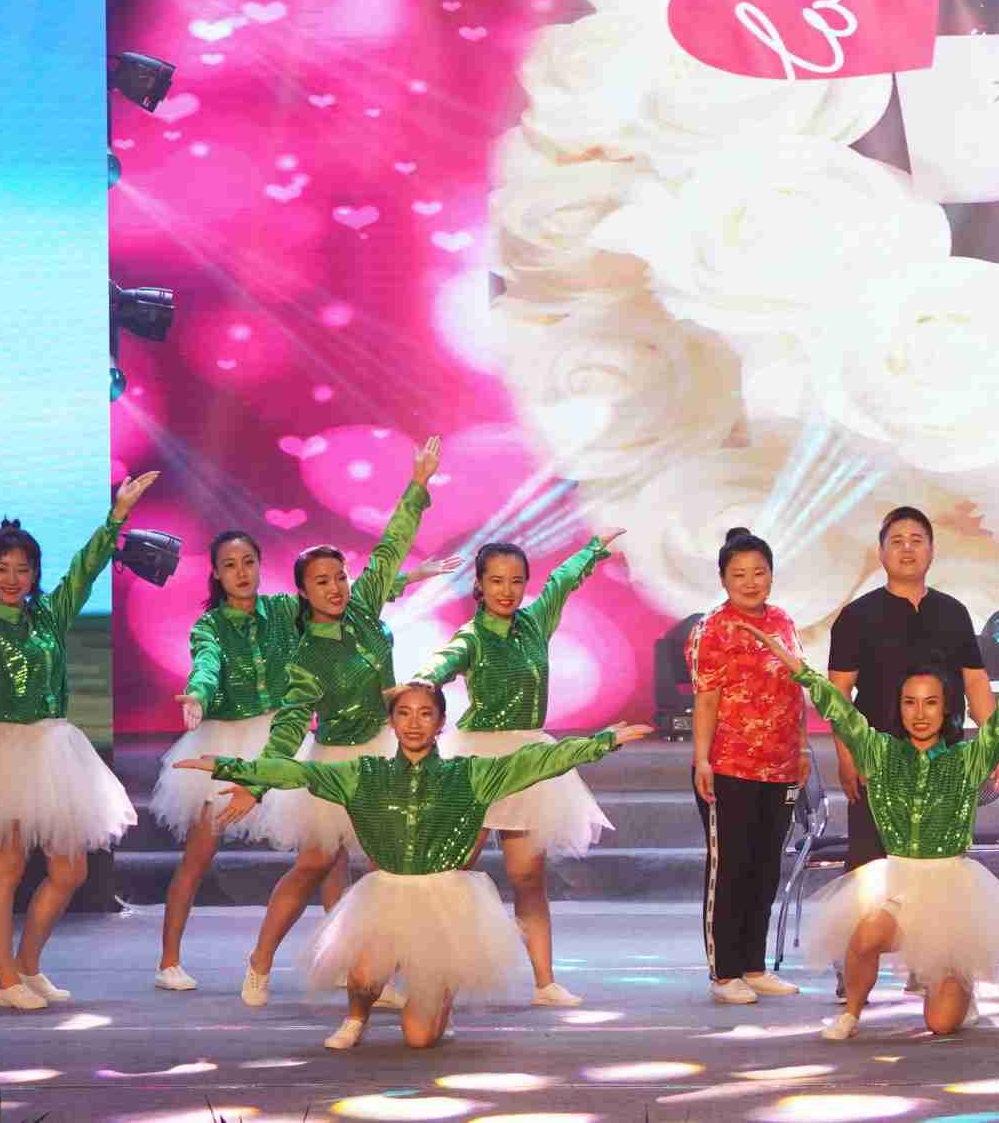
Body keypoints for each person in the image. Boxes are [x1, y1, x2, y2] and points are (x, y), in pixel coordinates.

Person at [182, 684, 652, 1050]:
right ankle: (356, 1018)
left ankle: (439, 992)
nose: (413, 723)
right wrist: (233, 767)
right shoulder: (364, 774)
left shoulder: (470, 774)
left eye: (425, 714)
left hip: (445, 897)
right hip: (387, 892)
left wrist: (602, 741)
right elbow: (302, 773)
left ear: (441, 723)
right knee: (363, 976)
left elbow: (539, 760)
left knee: (420, 1039)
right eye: (404, 713)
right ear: (391, 721)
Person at [739, 617, 999, 1040]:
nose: (920, 713)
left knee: (940, 1025)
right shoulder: (879, 751)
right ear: (900, 707)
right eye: (910, 702)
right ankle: (851, 1015)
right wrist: (790, 661)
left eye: (930, 703)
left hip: (949, 889)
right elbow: (835, 706)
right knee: (865, 936)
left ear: (945, 707)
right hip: (897, 881)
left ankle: (958, 986)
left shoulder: (968, 759)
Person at [0, 474, 156, 1010]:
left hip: (56, 750)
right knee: (6, 868)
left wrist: (117, 516)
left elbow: (87, 568)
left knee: (71, 870)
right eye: (2, 569)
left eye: (22, 569)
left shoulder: (50, 614)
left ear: (35, 574)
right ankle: (5, 981)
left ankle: (28, 966)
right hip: (8, 755)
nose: (11, 579)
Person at [238, 438, 443, 1008]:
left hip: (386, 756)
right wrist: (257, 781)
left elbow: (391, 546)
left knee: (387, 869)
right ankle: (259, 960)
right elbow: (289, 726)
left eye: (339, 576)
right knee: (313, 865)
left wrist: (418, 484)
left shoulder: (365, 606)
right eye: (321, 581)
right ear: (304, 592)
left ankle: (374, 977)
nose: (334, 587)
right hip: (336, 764)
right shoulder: (308, 654)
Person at [401, 531, 621, 1007]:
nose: (507, 590)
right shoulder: (472, 636)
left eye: (516, 581)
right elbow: (442, 664)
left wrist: (592, 549)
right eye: (496, 581)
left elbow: (562, 581)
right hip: (476, 762)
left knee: (528, 877)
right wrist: (420, 684)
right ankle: (425, 971)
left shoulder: (535, 622)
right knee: (450, 872)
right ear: (479, 585)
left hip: (528, 761)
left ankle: (545, 982)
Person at [147, 527, 306, 992]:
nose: (241, 573)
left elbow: (337, 596)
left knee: (323, 850)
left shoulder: (285, 610)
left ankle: (345, 963)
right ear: (216, 573)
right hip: (224, 740)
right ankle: (168, 962)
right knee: (199, 853)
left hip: (280, 738)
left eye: (248, 562)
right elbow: (207, 663)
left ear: (260, 564)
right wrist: (197, 694)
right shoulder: (210, 626)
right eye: (230, 566)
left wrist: (404, 579)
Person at [825, 507, 995, 874]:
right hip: (878, 764)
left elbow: (975, 681)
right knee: (873, 875)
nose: (907, 549)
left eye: (916, 541)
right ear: (881, 552)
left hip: (945, 765)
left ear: (931, 551)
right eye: (897, 541)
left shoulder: (953, 612)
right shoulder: (856, 616)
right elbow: (838, 695)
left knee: (941, 872)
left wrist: (993, 743)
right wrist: (846, 755)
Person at [690, 526, 809, 1005]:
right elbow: (706, 700)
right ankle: (724, 973)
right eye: (739, 574)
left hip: (779, 765)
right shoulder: (713, 629)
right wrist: (702, 760)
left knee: (765, 869)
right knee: (731, 869)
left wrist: (802, 749)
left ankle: (754, 966)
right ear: (723, 580)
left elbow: (797, 689)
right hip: (730, 766)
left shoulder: (782, 621)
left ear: (771, 576)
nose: (750, 582)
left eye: (759, 572)